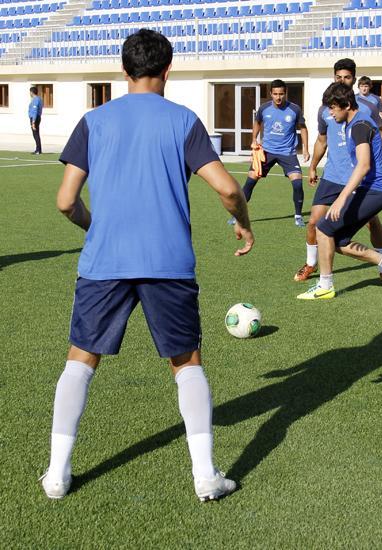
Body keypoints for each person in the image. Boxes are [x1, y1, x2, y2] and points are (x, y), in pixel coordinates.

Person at [40, 29, 254, 501]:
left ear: (124, 70)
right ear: (168, 70)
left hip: (105, 261)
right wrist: (243, 222)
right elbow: (228, 188)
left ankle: (57, 475)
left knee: (80, 360)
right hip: (168, 263)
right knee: (186, 363)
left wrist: (94, 226)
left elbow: (65, 201)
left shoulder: (93, 120)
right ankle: (205, 476)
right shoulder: (184, 121)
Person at [296, 83, 382, 300]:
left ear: (347, 105)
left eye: (333, 108)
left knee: (324, 228)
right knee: (338, 241)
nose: (330, 113)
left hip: (376, 190)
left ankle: (325, 286)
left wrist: (341, 198)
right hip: (370, 189)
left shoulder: (359, 125)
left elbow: (363, 165)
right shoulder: (351, 123)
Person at [240, 79, 309, 227]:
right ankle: (238, 215)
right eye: (275, 94)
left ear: (285, 93)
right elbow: (257, 123)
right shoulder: (264, 108)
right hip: (266, 151)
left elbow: (303, 128)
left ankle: (298, 216)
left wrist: (305, 149)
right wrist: (254, 139)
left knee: (297, 183)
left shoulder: (295, 109)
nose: (278, 97)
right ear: (271, 93)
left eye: (281, 94)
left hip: (287, 152)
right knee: (250, 180)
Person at [29, 86, 43, 154]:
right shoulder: (39, 99)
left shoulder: (35, 100)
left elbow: (35, 110)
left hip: (35, 118)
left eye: (30, 92)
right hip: (37, 117)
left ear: (32, 92)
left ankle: (38, 150)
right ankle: (38, 149)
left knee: (35, 134)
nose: (30, 93)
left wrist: (33, 122)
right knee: (36, 134)